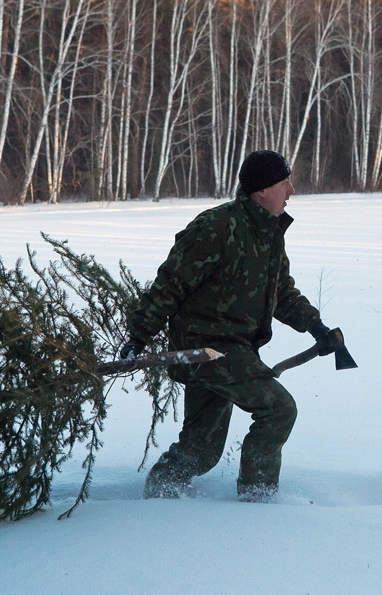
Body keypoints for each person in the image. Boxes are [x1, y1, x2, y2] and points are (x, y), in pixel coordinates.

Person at [120, 149, 344, 501]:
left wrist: (316, 327)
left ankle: (161, 491)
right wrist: (138, 337)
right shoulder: (216, 228)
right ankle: (258, 499)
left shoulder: (268, 233)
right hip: (205, 348)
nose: (292, 190)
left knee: (202, 449)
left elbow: (280, 291)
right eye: (285, 182)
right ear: (262, 191)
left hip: (235, 347)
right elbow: (170, 283)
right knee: (278, 409)